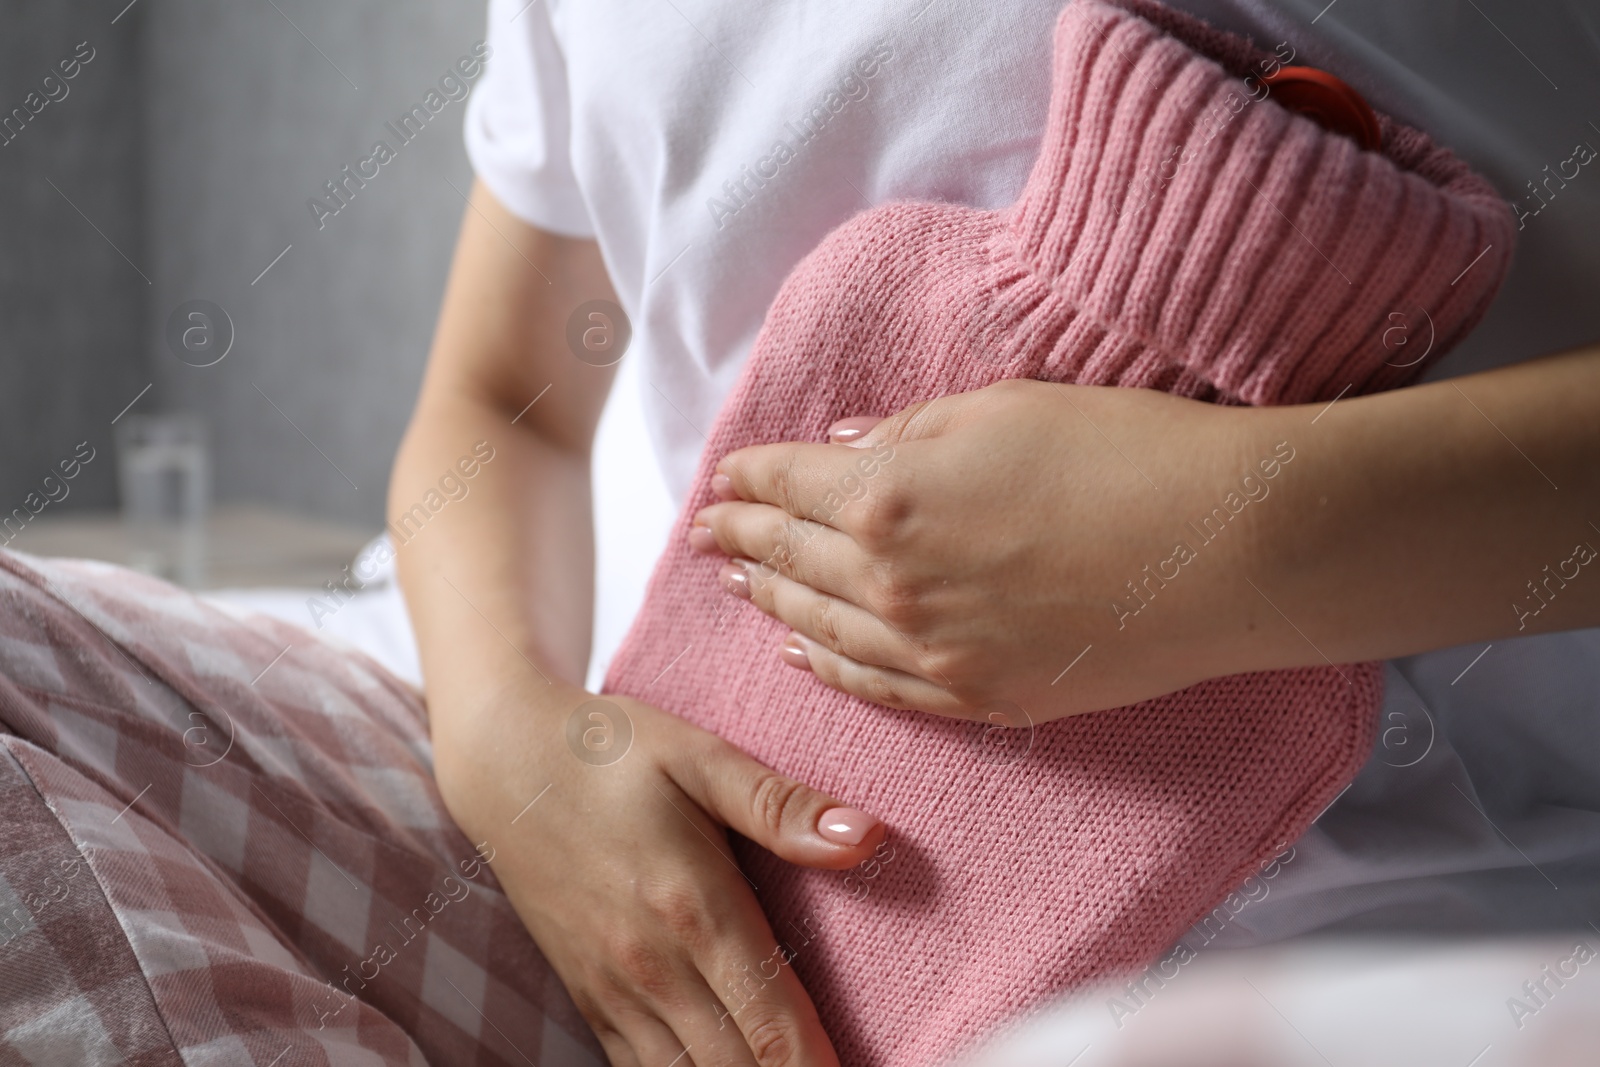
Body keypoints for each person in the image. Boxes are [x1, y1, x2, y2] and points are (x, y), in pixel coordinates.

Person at [389, 0, 1600, 1063]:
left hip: (1428, 957)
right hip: (715, 945)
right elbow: (504, 402)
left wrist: (1235, 540)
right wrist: (506, 734)